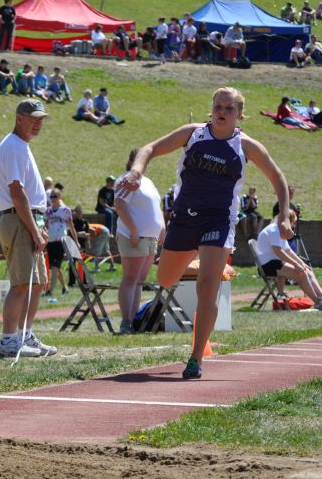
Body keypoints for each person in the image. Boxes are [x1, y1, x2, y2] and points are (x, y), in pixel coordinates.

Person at [119, 87, 292, 379]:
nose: (222, 112)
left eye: (229, 108)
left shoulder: (246, 146)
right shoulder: (193, 133)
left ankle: (195, 358)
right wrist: (137, 171)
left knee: (208, 284)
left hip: (219, 220)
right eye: (218, 106)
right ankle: (190, 255)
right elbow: (149, 149)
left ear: (239, 114)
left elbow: (277, 177)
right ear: (211, 109)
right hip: (185, 217)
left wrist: (284, 215)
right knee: (166, 278)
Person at [0, 99, 55, 359]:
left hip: (27, 219)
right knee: (21, 284)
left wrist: (37, 227)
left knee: (36, 283)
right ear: (19, 118)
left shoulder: (21, 146)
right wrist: (33, 229)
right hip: (19, 219)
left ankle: (24, 334)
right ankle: (9, 340)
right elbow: (17, 193)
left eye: (41, 118)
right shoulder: (14, 147)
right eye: (33, 118)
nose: (38, 123)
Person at [115, 148, 164, 334]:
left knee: (139, 280)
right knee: (130, 278)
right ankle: (126, 322)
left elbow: (156, 207)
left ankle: (133, 318)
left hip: (150, 237)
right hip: (134, 237)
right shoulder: (126, 180)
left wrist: (162, 228)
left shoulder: (148, 182)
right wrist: (134, 231)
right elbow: (120, 205)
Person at [255, 210, 322, 309]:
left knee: (306, 270)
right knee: (301, 274)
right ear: (288, 221)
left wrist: (301, 263)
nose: (293, 226)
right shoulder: (274, 230)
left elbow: (288, 250)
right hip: (267, 266)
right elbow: (279, 251)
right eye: (293, 223)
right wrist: (296, 264)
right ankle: (318, 302)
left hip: (274, 263)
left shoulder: (279, 229)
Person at [44, 188, 78, 303]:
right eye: (51, 197)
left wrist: (76, 241)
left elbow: (71, 227)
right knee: (55, 266)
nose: (53, 199)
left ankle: (50, 290)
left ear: (59, 197)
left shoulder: (65, 210)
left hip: (61, 240)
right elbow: (45, 225)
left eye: (55, 196)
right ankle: (65, 288)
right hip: (51, 240)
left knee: (55, 266)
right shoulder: (47, 211)